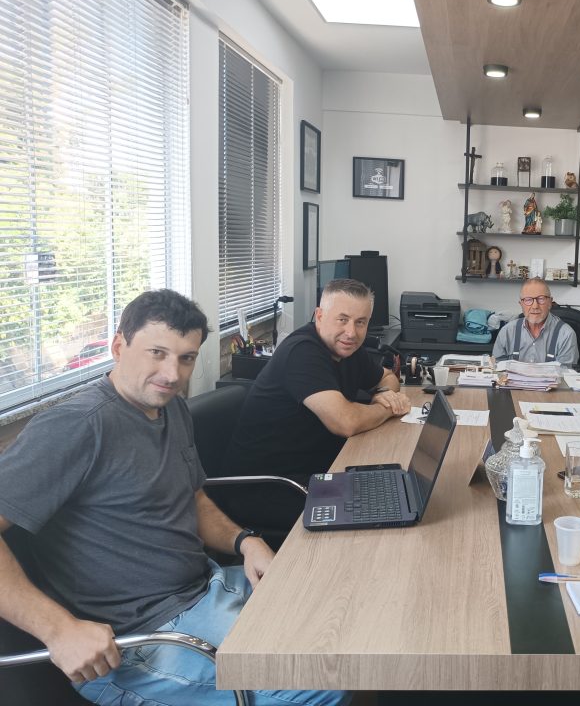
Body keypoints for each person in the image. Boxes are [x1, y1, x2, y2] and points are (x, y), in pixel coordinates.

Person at [0, 289, 342, 705]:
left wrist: (245, 541)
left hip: (206, 587)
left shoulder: (170, 408)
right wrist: (58, 630)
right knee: (320, 682)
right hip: (140, 639)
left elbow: (192, 497)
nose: (172, 373)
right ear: (118, 347)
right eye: (157, 353)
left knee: (342, 619)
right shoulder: (76, 426)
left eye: (186, 358)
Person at [223, 279, 410, 531]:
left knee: (392, 493)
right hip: (268, 488)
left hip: (315, 472)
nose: (351, 332)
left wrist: (384, 394)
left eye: (360, 322)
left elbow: (388, 378)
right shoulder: (302, 352)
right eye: (342, 319)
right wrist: (387, 408)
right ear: (319, 316)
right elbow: (345, 422)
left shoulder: (348, 349)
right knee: (378, 514)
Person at [491, 277, 579, 367]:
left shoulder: (566, 335)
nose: (535, 306)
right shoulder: (507, 332)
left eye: (541, 299)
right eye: (528, 300)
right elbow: (498, 369)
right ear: (521, 304)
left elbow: (565, 373)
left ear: (550, 303)